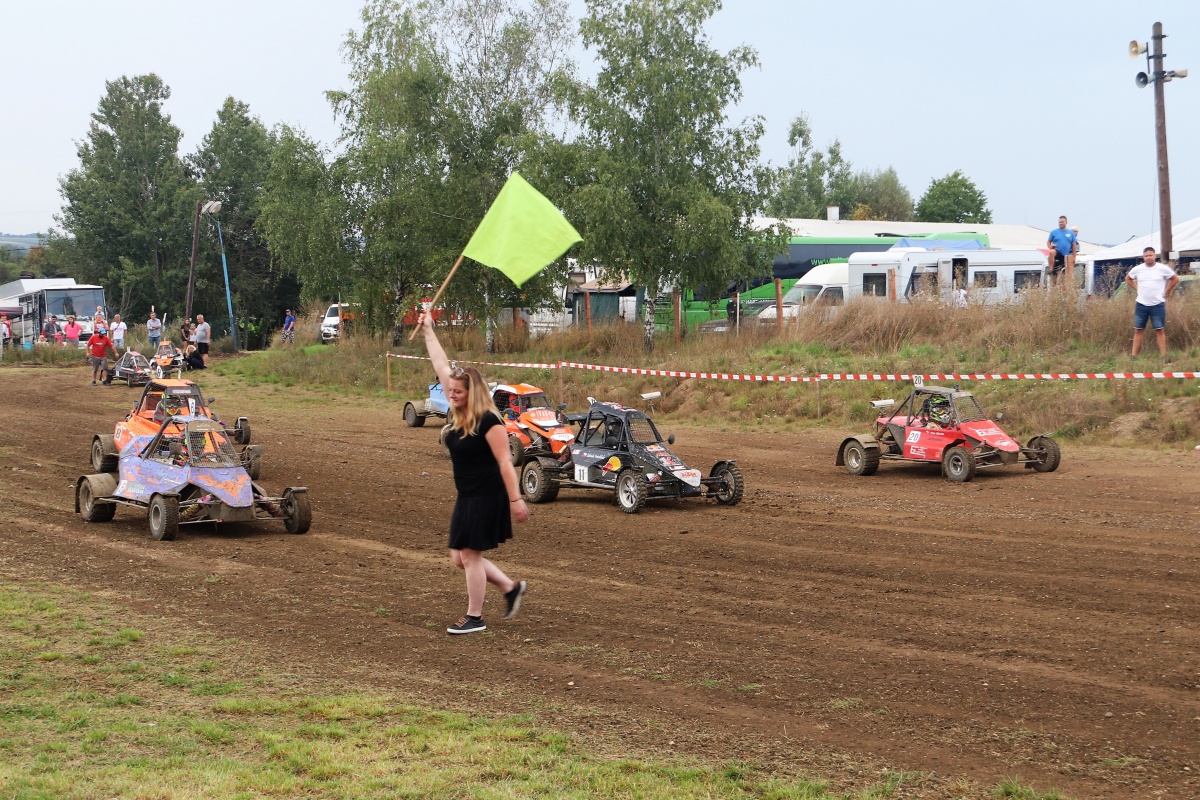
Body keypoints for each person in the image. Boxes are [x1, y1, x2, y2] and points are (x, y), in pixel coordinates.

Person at [418, 310, 528, 635]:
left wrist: (516, 500)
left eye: (458, 392)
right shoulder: (458, 410)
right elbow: (441, 364)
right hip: (467, 494)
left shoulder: (489, 421)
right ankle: (510, 588)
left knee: (469, 555)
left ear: (473, 393)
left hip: (488, 494)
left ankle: (474, 617)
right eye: (450, 390)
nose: (451, 395)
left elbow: (505, 462)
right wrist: (428, 330)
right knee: (459, 557)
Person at [1126, 246, 1179, 359]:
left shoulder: (1162, 268)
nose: (1148, 258)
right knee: (1138, 329)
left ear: (1155, 256)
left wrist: (1166, 291)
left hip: (1157, 304)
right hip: (1141, 304)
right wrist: (1137, 288)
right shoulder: (1138, 269)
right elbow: (1128, 278)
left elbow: (1175, 279)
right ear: (1143, 257)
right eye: (1146, 256)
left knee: (1159, 330)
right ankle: (1133, 356)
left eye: (1150, 255)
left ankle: (1164, 356)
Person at [1046, 216, 1077, 287]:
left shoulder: (1071, 233)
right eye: (1059, 222)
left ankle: (1063, 288)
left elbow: (1074, 245)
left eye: (1062, 222)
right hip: (1057, 252)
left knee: (1063, 275)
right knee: (1051, 252)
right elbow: (1048, 242)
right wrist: (1050, 247)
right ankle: (1051, 269)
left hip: (1066, 255)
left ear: (1066, 222)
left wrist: (1074, 257)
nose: (1060, 223)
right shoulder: (1054, 232)